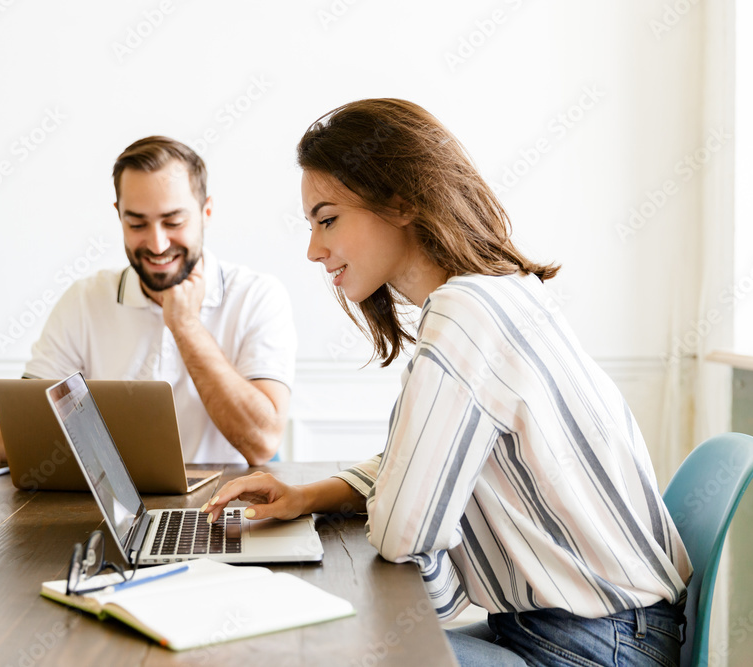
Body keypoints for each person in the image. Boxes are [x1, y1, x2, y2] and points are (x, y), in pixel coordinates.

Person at [201, 99, 692, 666]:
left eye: (328, 219)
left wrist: (391, 492)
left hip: (595, 647)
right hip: (584, 630)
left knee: (314, 652)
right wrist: (312, 495)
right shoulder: (496, 293)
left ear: (402, 200)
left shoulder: (466, 313)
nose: (313, 250)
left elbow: (404, 529)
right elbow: (414, 464)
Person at [0, 136, 296, 466]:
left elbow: (263, 443)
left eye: (173, 222)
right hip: (118, 512)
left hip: (228, 505)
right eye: (136, 223)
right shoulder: (83, 300)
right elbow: (5, 446)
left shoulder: (258, 296)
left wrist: (185, 326)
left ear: (206, 211)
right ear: (118, 215)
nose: (157, 243)